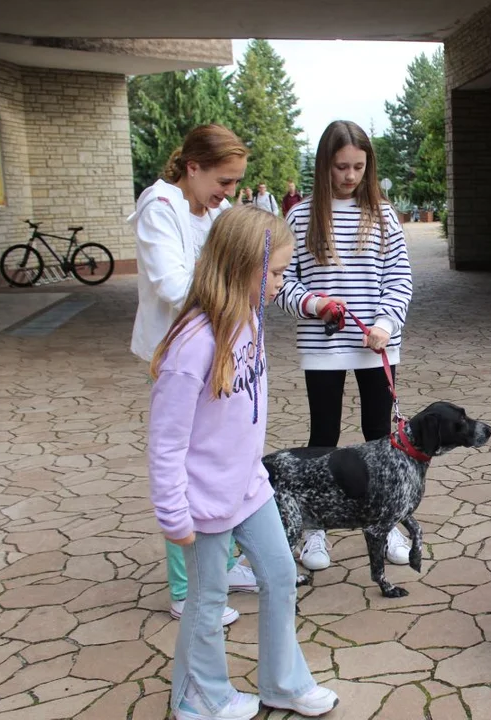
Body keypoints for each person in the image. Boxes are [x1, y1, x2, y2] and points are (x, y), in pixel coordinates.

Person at [149, 205, 339, 720]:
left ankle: (282, 682)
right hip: (205, 501)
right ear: (240, 267)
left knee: (280, 576)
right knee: (207, 603)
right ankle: (198, 698)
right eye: (276, 272)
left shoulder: (248, 322)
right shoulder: (194, 344)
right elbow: (165, 441)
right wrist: (173, 513)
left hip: (250, 488)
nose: (282, 282)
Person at [129, 124, 258, 627]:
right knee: (186, 465)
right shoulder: (159, 208)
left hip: (218, 350)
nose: (229, 194)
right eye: (223, 182)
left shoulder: (217, 211)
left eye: (234, 184)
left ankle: (221, 566)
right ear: (192, 167)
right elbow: (173, 284)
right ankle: (187, 590)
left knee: (222, 456)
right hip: (178, 355)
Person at [273, 120, 413, 573]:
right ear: (324, 165)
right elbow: (281, 284)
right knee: (323, 438)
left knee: (381, 442)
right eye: (341, 167)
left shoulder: (384, 214)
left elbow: (400, 278)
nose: (350, 176)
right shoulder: (301, 215)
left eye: (358, 166)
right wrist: (315, 304)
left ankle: (385, 521)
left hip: (377, 347)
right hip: (323, 345)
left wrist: (386, 324)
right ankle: (315, 529)